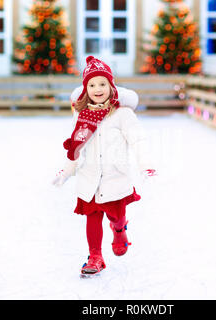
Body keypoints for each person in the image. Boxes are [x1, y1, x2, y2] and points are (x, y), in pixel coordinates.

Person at [52, 56, 157, 276]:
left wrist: (145, 165)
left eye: (102, 84)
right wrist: (66, 171)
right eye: (91, 84)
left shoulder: (122, 114)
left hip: (115, 179)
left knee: (115, 216)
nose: (97, 89)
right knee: (92, 218)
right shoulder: (81, 116)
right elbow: (75, 147)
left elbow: (138, 140)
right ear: (85, 89)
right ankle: (95, 257)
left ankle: (119, 229)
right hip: (89, 178)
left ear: (111, 86)